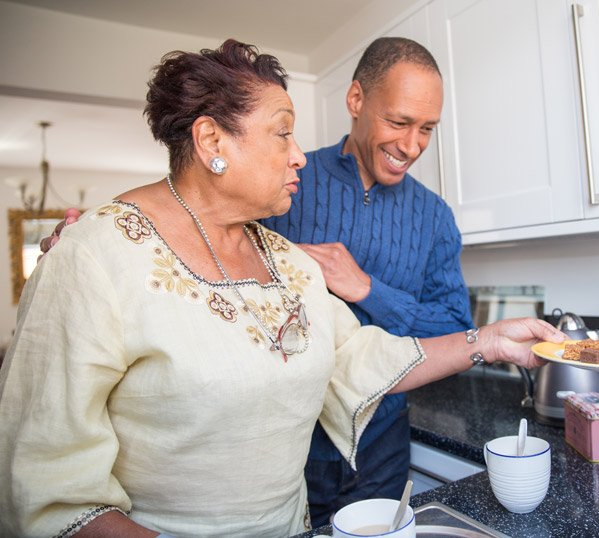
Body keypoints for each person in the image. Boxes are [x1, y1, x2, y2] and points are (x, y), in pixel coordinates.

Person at [0, 39, 565, 537]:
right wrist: (79, 252)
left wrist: (484, 338)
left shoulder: (289, 258)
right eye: (282, 133)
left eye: (427, 129)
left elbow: (357, 353)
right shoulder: (98, 254)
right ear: (210, 139)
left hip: (343, 480)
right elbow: (43, 480)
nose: (297, 154)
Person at [262, 37, 471, 526]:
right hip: (287, 447)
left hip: (384, 446)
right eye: (398, 122)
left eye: (427, 130)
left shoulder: (435, 217)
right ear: (357, 100)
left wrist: (366, 289)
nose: (411, 146)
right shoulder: (284, 183)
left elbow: (456, 325)